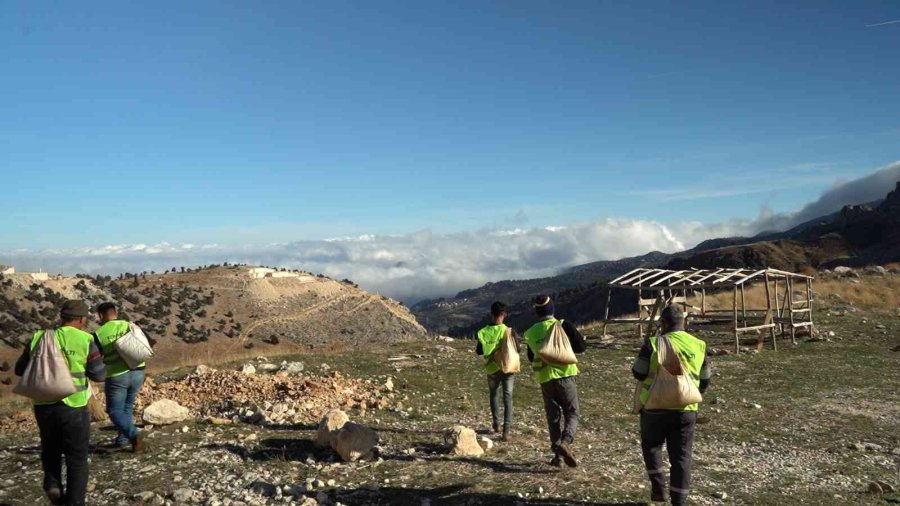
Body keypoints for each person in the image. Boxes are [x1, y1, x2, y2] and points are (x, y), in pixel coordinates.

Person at [14, 299, 106, 506]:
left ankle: (53, 484)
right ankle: (74, 502)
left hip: (43, 405)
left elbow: (20, 370)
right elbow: (98, 375)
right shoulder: (85, 339)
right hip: (74, 405)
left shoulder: (39, 337)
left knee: (50, 448)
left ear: (62, 317)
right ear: (82, 319)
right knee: (77, 458)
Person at [632, 304, 711, 506]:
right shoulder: (699, 345)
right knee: (682, 457)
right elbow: (705, 379)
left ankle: (659, 489)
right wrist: (690, 395)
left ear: (663, 323)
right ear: (683, 323)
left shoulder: (653, 344)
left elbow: (639, 372)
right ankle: (679, 502)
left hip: (654, 407)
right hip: (686, 410)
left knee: (651, 447)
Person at [523, 294, 586, 468]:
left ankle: (558, 457)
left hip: (544, 378)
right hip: (565, 375)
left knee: (553, 418)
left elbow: (530, 357)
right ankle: (565, 442)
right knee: (572, 413)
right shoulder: (563, 325)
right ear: (552, 309)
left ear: (537, 311)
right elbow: (581, 347)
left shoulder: (530, 332)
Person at [93, 302, 147, 452]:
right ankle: (123, 439)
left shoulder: (99, 333)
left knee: (114, 410)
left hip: (117, 375)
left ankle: (134, 434)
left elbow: (96, 356)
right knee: (127, 407)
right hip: (138, 372)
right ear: (115, 313)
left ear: (101, 316)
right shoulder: (129, 325)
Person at [475, 301, 518, 441]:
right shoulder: (509, 330)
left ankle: (496, 423)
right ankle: (506, 431)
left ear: (491, 314)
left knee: (494, 395)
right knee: (507, 397)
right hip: (507, 367)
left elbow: (479, 351)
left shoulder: (483, 332)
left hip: (491, 368)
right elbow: (518, 349)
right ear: (504, 315)